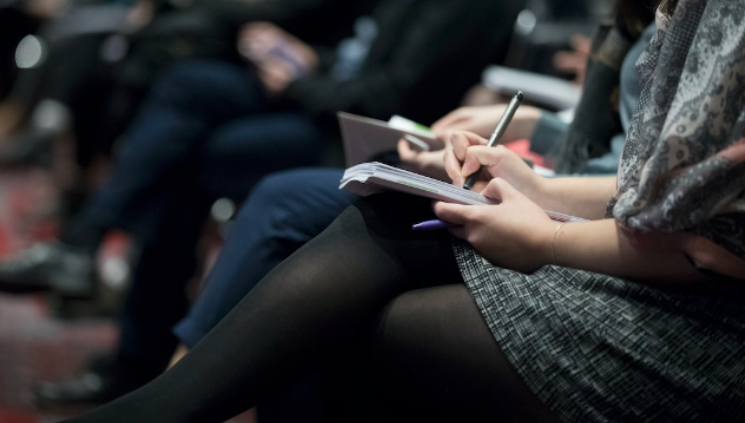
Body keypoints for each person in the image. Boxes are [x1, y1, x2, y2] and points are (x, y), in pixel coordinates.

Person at [59, 0, 745, 421]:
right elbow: (645, 185)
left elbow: (702, 241)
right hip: (626, 238)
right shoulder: (678, 14)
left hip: (696, 327)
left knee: (343, 300)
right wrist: (532, 184)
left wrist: (542, 231)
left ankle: (160, 398)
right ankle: (156, 392)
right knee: (359, 206)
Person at [0, 0, 526, 406]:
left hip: (369, 137)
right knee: (187, 85)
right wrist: (308, 60)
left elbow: (389, 98)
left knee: (191, 157)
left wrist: (299, 78)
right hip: (325, 99)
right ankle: (119, 311)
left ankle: (149, 365)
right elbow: (360, 55)